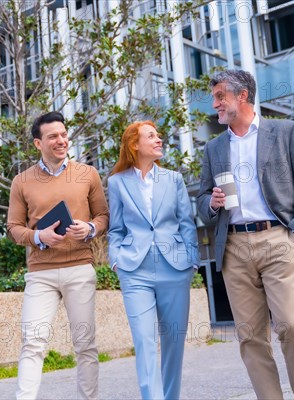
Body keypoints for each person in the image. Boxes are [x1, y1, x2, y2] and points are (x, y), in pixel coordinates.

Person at [196, 69, 294, 400]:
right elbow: (202, 199)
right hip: (234, 246)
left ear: (241, 96)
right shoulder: (213, 148)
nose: (215, 105)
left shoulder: (286, 132)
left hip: (279, 239)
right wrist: (211, 202)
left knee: (293, 325)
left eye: (220, 96)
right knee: (251, 337)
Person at [7, 111, 109, 399]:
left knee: (85, 344)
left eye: (63, 134)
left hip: (80, 267)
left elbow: (103, 216)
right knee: (33, 342)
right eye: (53, 136)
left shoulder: (88, 174)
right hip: (40, 273)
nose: (61, 140)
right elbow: (14, 228)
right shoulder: (22, 181)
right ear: (39, 143)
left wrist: (89, 228)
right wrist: (39, 236)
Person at [107, 120, 199, 400]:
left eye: (158, 135)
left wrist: (191, 261)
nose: (159, 140)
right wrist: (116, 262)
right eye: (151, 136)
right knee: (145, 343)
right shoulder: (117, 182)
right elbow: (116, 229)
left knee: (174, 343)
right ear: (134, 144)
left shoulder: (173, 179)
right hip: (135, 271)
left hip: (175, 269)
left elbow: (187, 223)